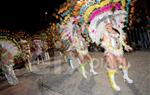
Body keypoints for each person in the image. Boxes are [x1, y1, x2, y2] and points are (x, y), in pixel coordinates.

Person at [101, 21, 133, 91]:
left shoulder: (116, 31)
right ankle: (113, 83)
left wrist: (125, 46)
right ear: (105, 25)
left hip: (117, 51)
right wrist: (106, 44)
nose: (108, 25)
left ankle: (126, 76)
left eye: (109, 24)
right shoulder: (105, 33)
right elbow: (104, 44)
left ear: (111, 24)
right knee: (112, 66)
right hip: (110, 52)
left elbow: (121, 41)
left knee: (124, 61)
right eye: (107, 24)